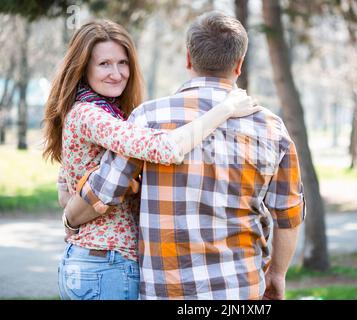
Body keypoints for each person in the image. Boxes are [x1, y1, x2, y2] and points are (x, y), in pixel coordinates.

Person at [68, 11, 305, 300]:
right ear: (239, 65)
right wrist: (277, 274)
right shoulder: (271, 127)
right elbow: (288, 215)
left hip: (166, 292)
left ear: (189, 59)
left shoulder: (148, 117)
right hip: (241, 290)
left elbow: (101, 193)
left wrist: (69, 217)